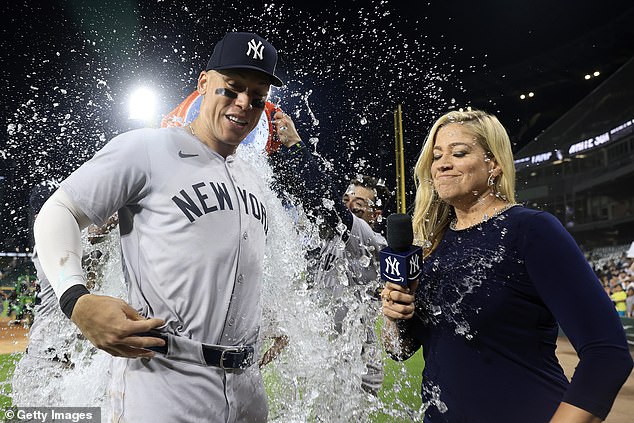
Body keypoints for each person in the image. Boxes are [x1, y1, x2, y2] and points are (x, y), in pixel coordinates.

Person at [34, 31, 284, 422]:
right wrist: (75, 298)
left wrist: (267, 319)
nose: (243, 104)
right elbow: (59, 210)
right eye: (231, 89)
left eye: (257, 96)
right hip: (163, 379)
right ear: (204, 83)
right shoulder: (148, 148)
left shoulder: (252, 178)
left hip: (246, 387)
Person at [380, 109, 633, 422]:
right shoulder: (432, 247)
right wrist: (396, 318)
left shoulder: (530, 230)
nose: (443, 163)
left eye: (459, 153)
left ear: (494, 164)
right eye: (436, 156)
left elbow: (607, 354)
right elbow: (399, 350)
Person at [270, 112, 389, 395]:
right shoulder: (326, 240)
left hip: (356, 365)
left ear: (376, 213)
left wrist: (296, 146)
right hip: (320, 353)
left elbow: (328, 207)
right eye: (347, 199)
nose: (350, 205)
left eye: (360, 202)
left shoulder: (373, 242)